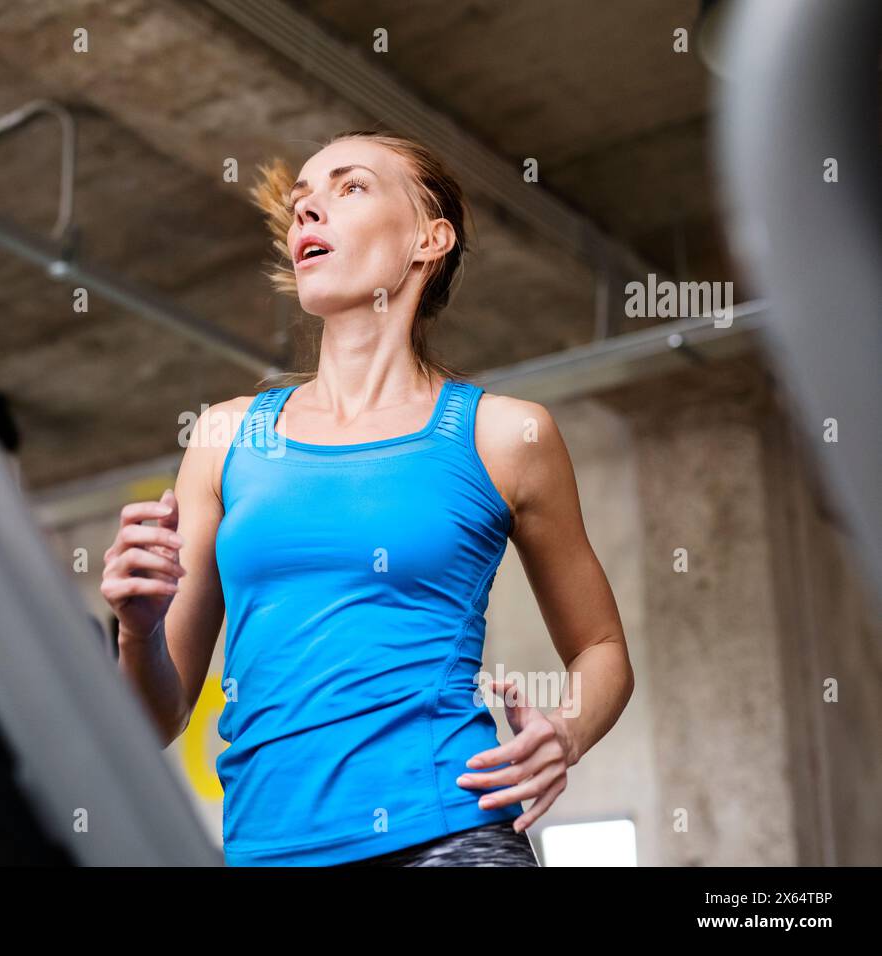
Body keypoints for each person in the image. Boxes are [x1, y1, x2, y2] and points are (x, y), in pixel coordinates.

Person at [101, 130, 633, 867]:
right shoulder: (223, 436)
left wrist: (565, 733)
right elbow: (155, 716)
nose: (308, 210)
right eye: (300, 203)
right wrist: (136, 630)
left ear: (429, 238)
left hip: (450, 833)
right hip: (264, 847)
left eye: (349, 188)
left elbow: (602, 648)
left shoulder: (507, 435)